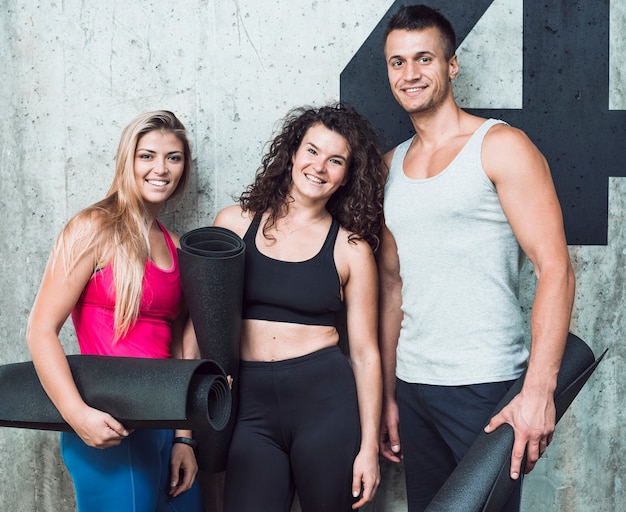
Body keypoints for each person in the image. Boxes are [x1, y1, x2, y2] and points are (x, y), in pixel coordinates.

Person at [377, 5, 576, 511]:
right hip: (415, 385)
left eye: (424, 58)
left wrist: (538, 391)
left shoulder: (501, 146)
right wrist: (389, 395)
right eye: (397, 62)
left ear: (452, 65)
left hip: (484, 384)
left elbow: (555, 268)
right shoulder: (390, 167)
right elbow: (394, 286)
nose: (410, 73)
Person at [25, 110, 204, 512]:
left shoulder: (176, 245)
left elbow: (180, 351)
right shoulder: (93, 227)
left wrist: (183, 438)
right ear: (128, 160)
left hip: (165, 424)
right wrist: (77, 415)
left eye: (173, 158)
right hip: (107, 422)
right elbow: (40, 329)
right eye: (147, 156)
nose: (161, 169)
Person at [214, 103, 385, 511]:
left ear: (347, 175)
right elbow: (202, 321)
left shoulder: (352, 249)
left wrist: (369, 449)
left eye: (335, 160)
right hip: (249, 406)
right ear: (292, 153)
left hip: (325, 404)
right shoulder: (234, 224)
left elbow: (364, 354)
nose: (319, 167)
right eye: (312, 151)